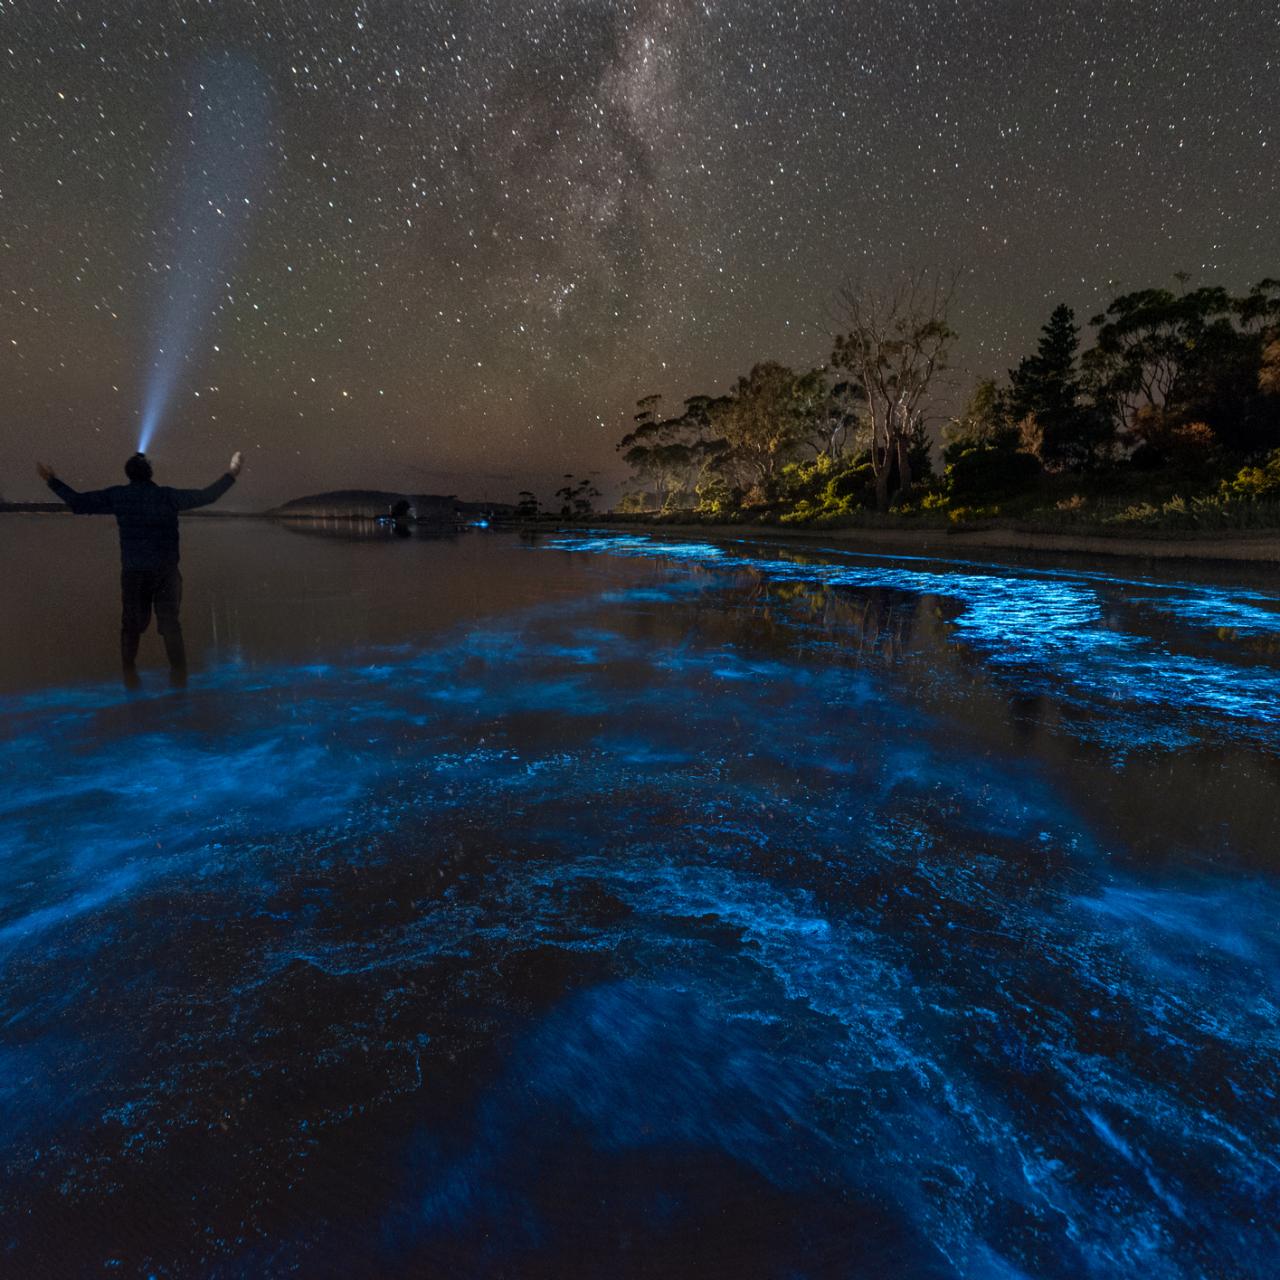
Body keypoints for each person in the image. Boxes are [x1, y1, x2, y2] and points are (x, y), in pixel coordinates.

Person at [36, 450, 244, 687]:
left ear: (129, 474)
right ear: (150, 473)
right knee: (170, 625)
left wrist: (52, 480)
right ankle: (179, 676)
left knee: (131, 626)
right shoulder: (167, 497)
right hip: (166, 573)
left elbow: (78, 503)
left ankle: (129, 674)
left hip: (135, 573)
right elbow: (208, 496)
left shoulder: (120, 496)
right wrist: (232, 473)